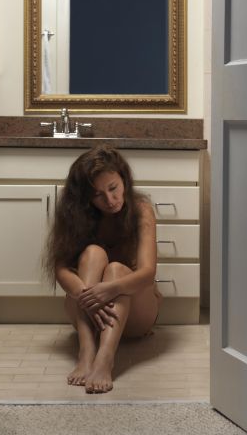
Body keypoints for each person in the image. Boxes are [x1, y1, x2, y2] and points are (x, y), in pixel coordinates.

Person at [44, 146, 160, 393]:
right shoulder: (76, 215)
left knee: (117, 269)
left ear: (124, 180)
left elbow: (148, 272)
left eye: (113, 188)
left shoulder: (141, 209)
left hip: (136, 312)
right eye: (97, 195)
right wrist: (86, 294)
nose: (110, 200)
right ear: (85, 197)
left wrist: (109, 288)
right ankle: (86, 352)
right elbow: (61, 268)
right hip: (89, 313)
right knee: (92, 253)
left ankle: (105, 358)